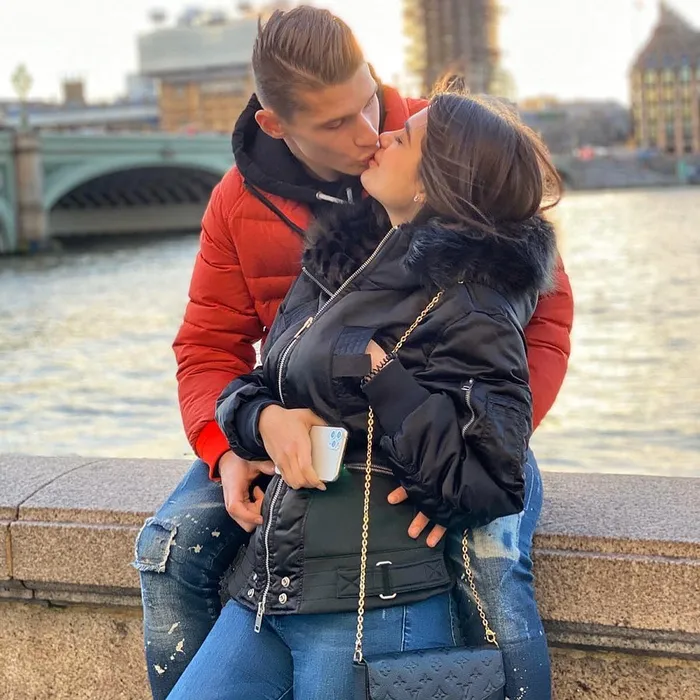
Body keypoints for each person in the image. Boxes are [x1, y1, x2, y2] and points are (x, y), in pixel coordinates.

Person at [133, 6, 573, 700]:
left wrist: (459, 454)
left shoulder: (447, 141)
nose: (368, 133)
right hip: (290, 412)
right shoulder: (242, 204)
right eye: (338, 123)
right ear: (277, 125)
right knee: (171, 548)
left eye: (370, 102)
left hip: (451, 420)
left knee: (488, 557)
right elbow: (211, 346)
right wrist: (233, 447)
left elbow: (540, 328)